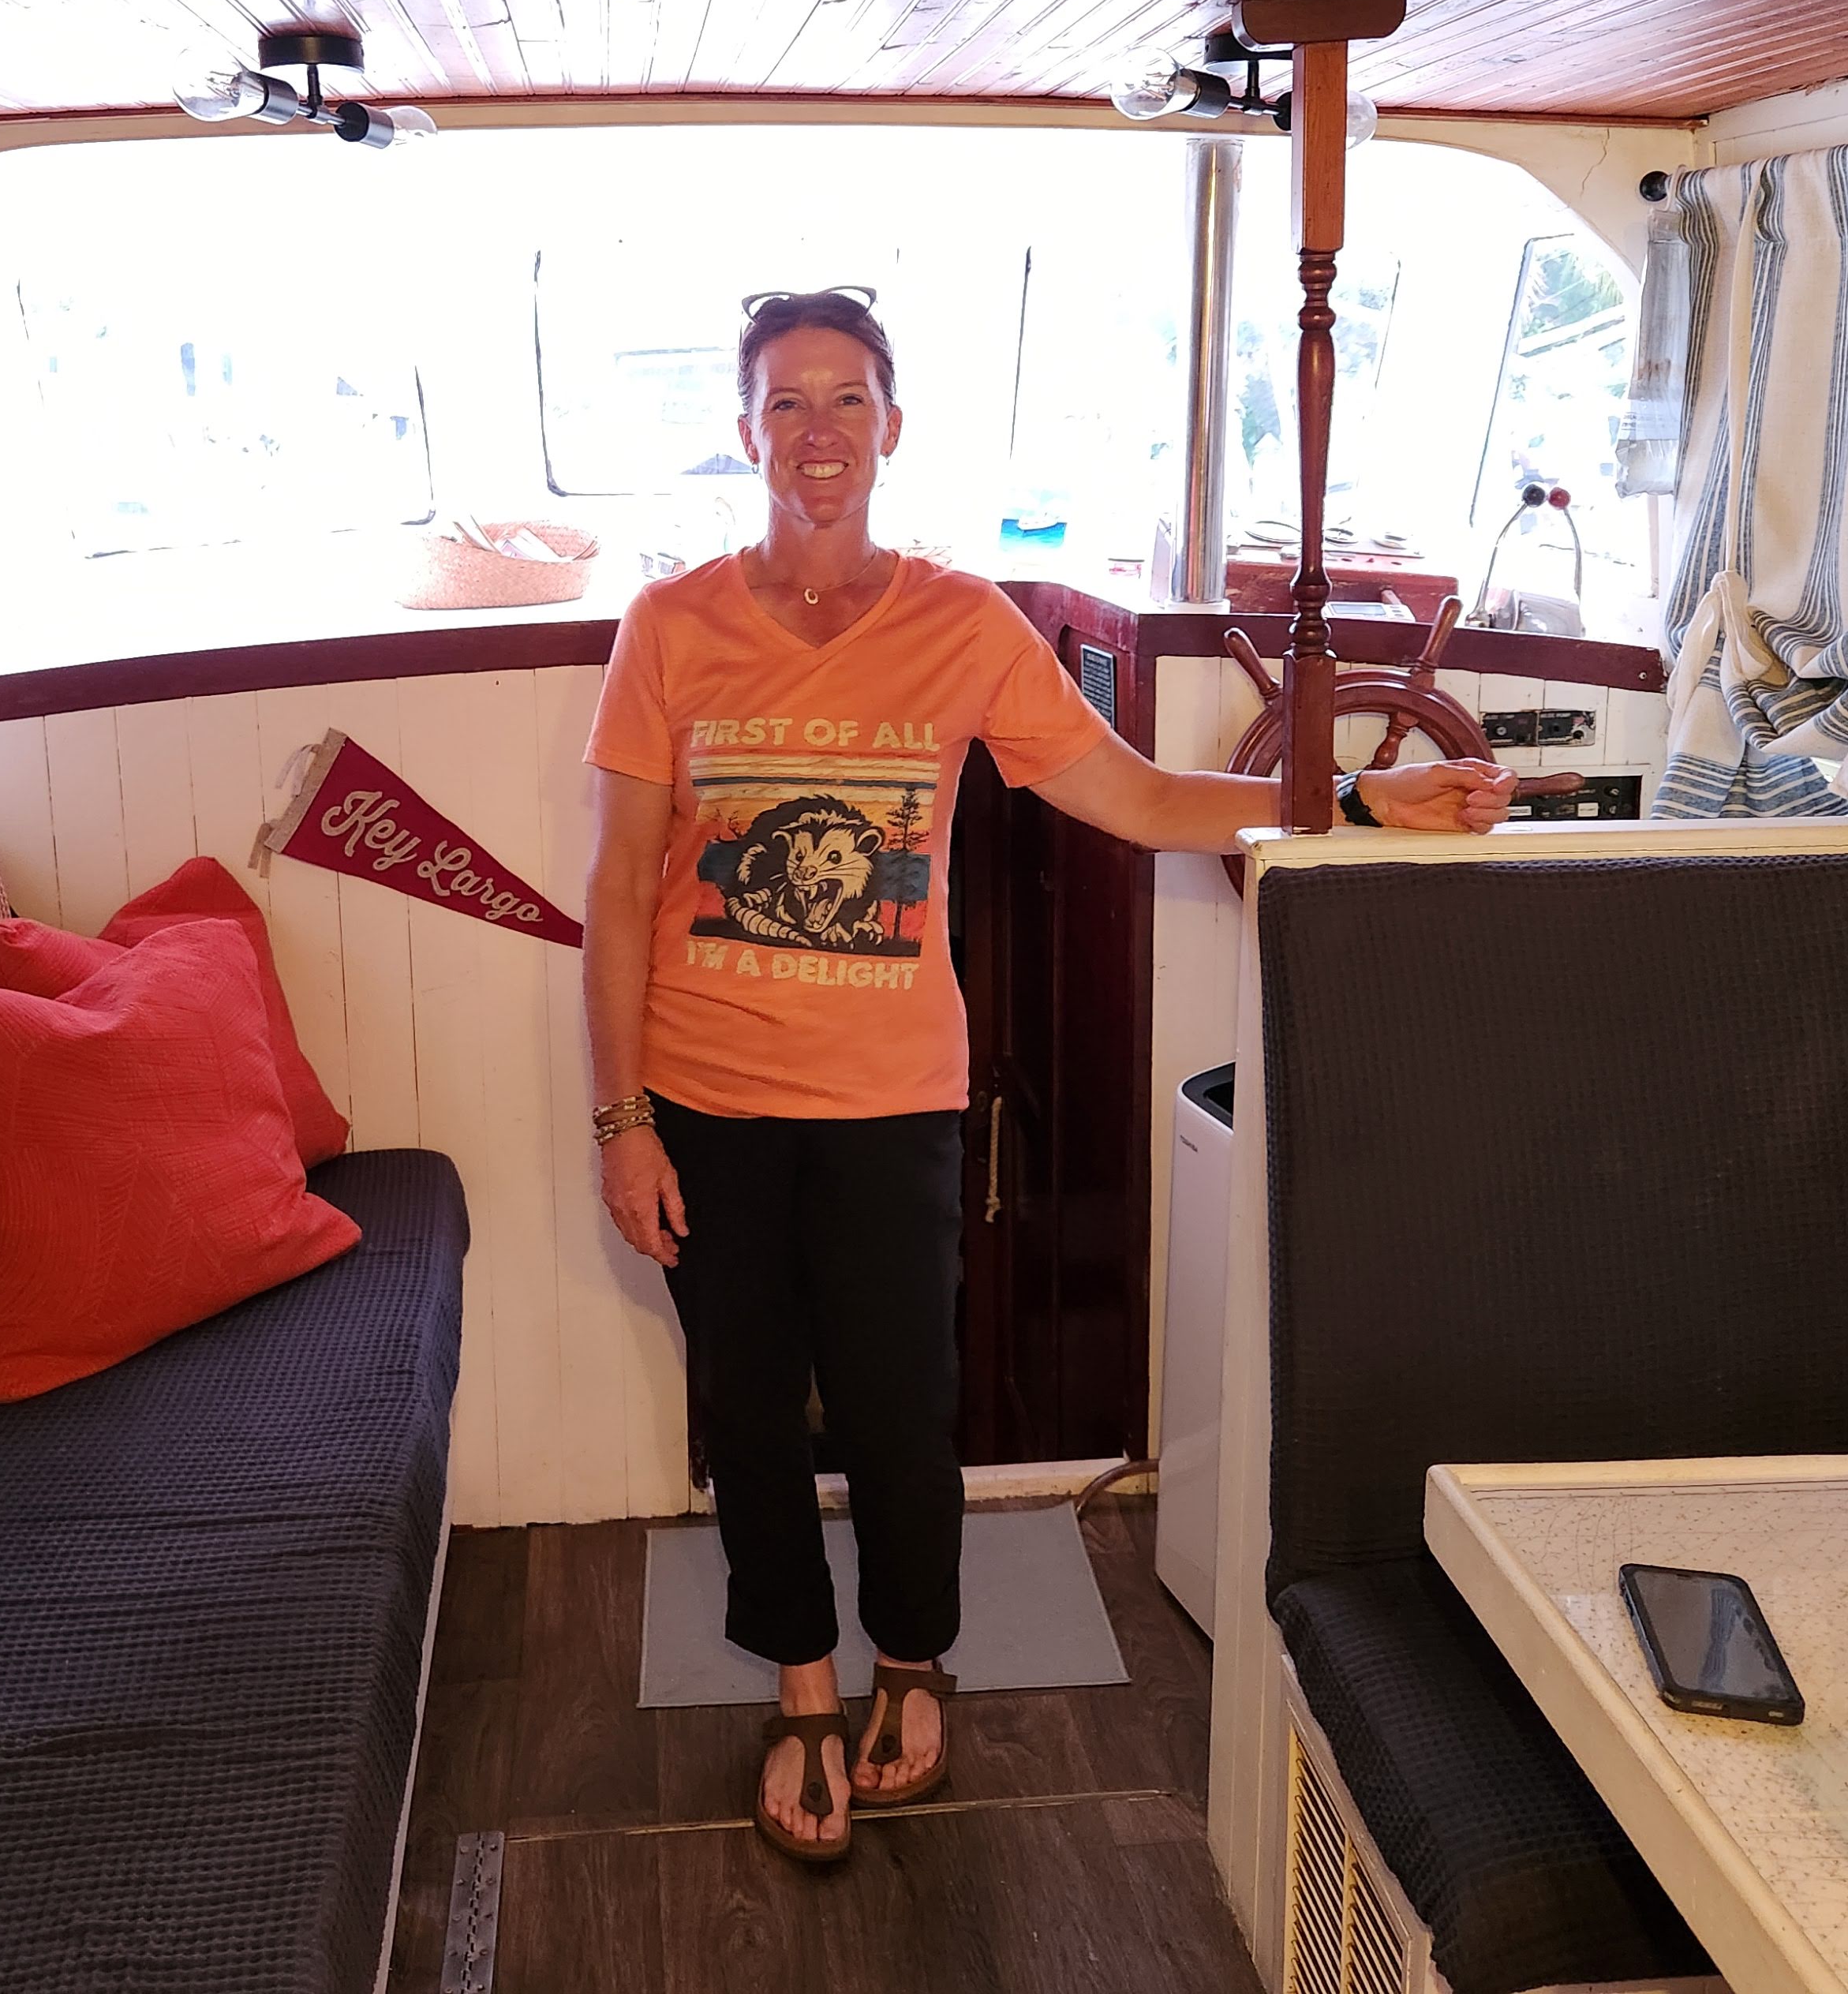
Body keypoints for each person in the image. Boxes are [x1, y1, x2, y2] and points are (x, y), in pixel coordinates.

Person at [580, 287, 1513, 1865]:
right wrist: (621, 1121)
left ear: (892, 425)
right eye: (787, 402)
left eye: (847, 399)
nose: (818, 431)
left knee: (900, 1405)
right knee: (748, 1407)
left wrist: (1349, 805)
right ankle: (800, 1683)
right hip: (704, 1097)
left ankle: (908, 1663)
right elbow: (618, 890)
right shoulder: (669, 626)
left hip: (890, 1100)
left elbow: (1136, 800)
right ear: (744, 433)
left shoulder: (959, 624)